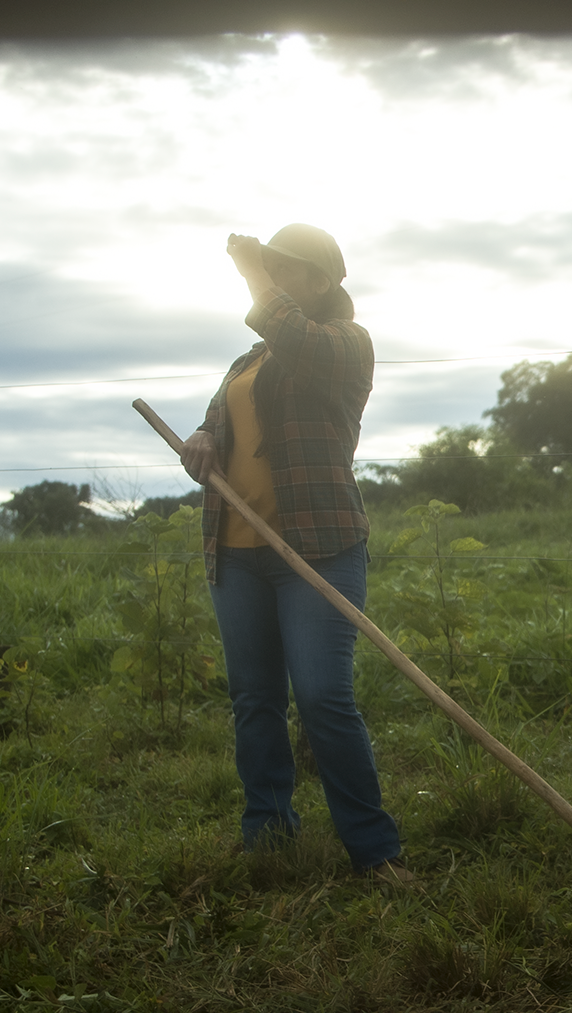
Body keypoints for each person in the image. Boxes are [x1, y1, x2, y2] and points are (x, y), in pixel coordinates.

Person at [179, 224, 410, 883]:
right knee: (254, 698)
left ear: (324, 282)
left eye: (290, 271)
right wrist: (200, 437)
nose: (276, 280)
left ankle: (374, 850)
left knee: (321, 694)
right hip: (237, 548)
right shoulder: (247, 361)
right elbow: (217, 423)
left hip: (318, 548)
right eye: (271, 270)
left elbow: (294, 334)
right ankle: (268, 835)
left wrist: (255, 275)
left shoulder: (342, 346)